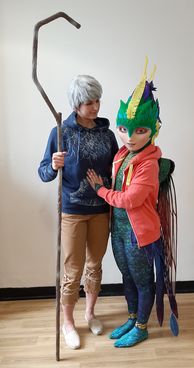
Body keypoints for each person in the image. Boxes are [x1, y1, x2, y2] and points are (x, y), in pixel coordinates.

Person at [87, 60, 179, 348]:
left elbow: (129, 199)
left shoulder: (149, 163)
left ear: (152, 130)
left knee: (141, 280)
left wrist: (101, 191)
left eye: (139, 130)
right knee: (127, 276)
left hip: (140, 234)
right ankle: (131, 317)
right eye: (124, 129)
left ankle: (142, 326)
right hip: (121, 230)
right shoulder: (121, 156)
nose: (128, 137)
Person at [38, 75, 119, 349]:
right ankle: (68, 322)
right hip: (72, 210)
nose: (95, 107)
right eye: (88, 102)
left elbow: (116, 172)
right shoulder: (61, 132)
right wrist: (54, 164)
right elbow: (43, 173)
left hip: (100, 209)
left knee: (95, 265)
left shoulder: (107, 135)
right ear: (76, 104)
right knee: (73, 270)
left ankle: (90, 313)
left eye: (97, 101)